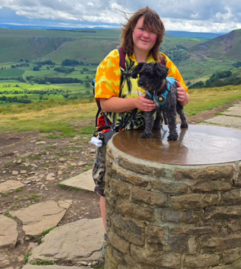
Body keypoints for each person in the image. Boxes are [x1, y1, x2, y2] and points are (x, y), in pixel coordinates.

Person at [92, 6, 190, 257]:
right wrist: (135, 103)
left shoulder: (164, 62)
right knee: (108, 187)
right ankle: (109, 238)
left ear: (158, 37)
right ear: (132, 31)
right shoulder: (115, 60)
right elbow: (105, 102)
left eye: (153, 31)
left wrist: (183, 95)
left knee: (150, 187)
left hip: (152, 137)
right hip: (115, 134)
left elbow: (183, 94)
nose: (146, 35)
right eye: (142, 29)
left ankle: (146, 237)